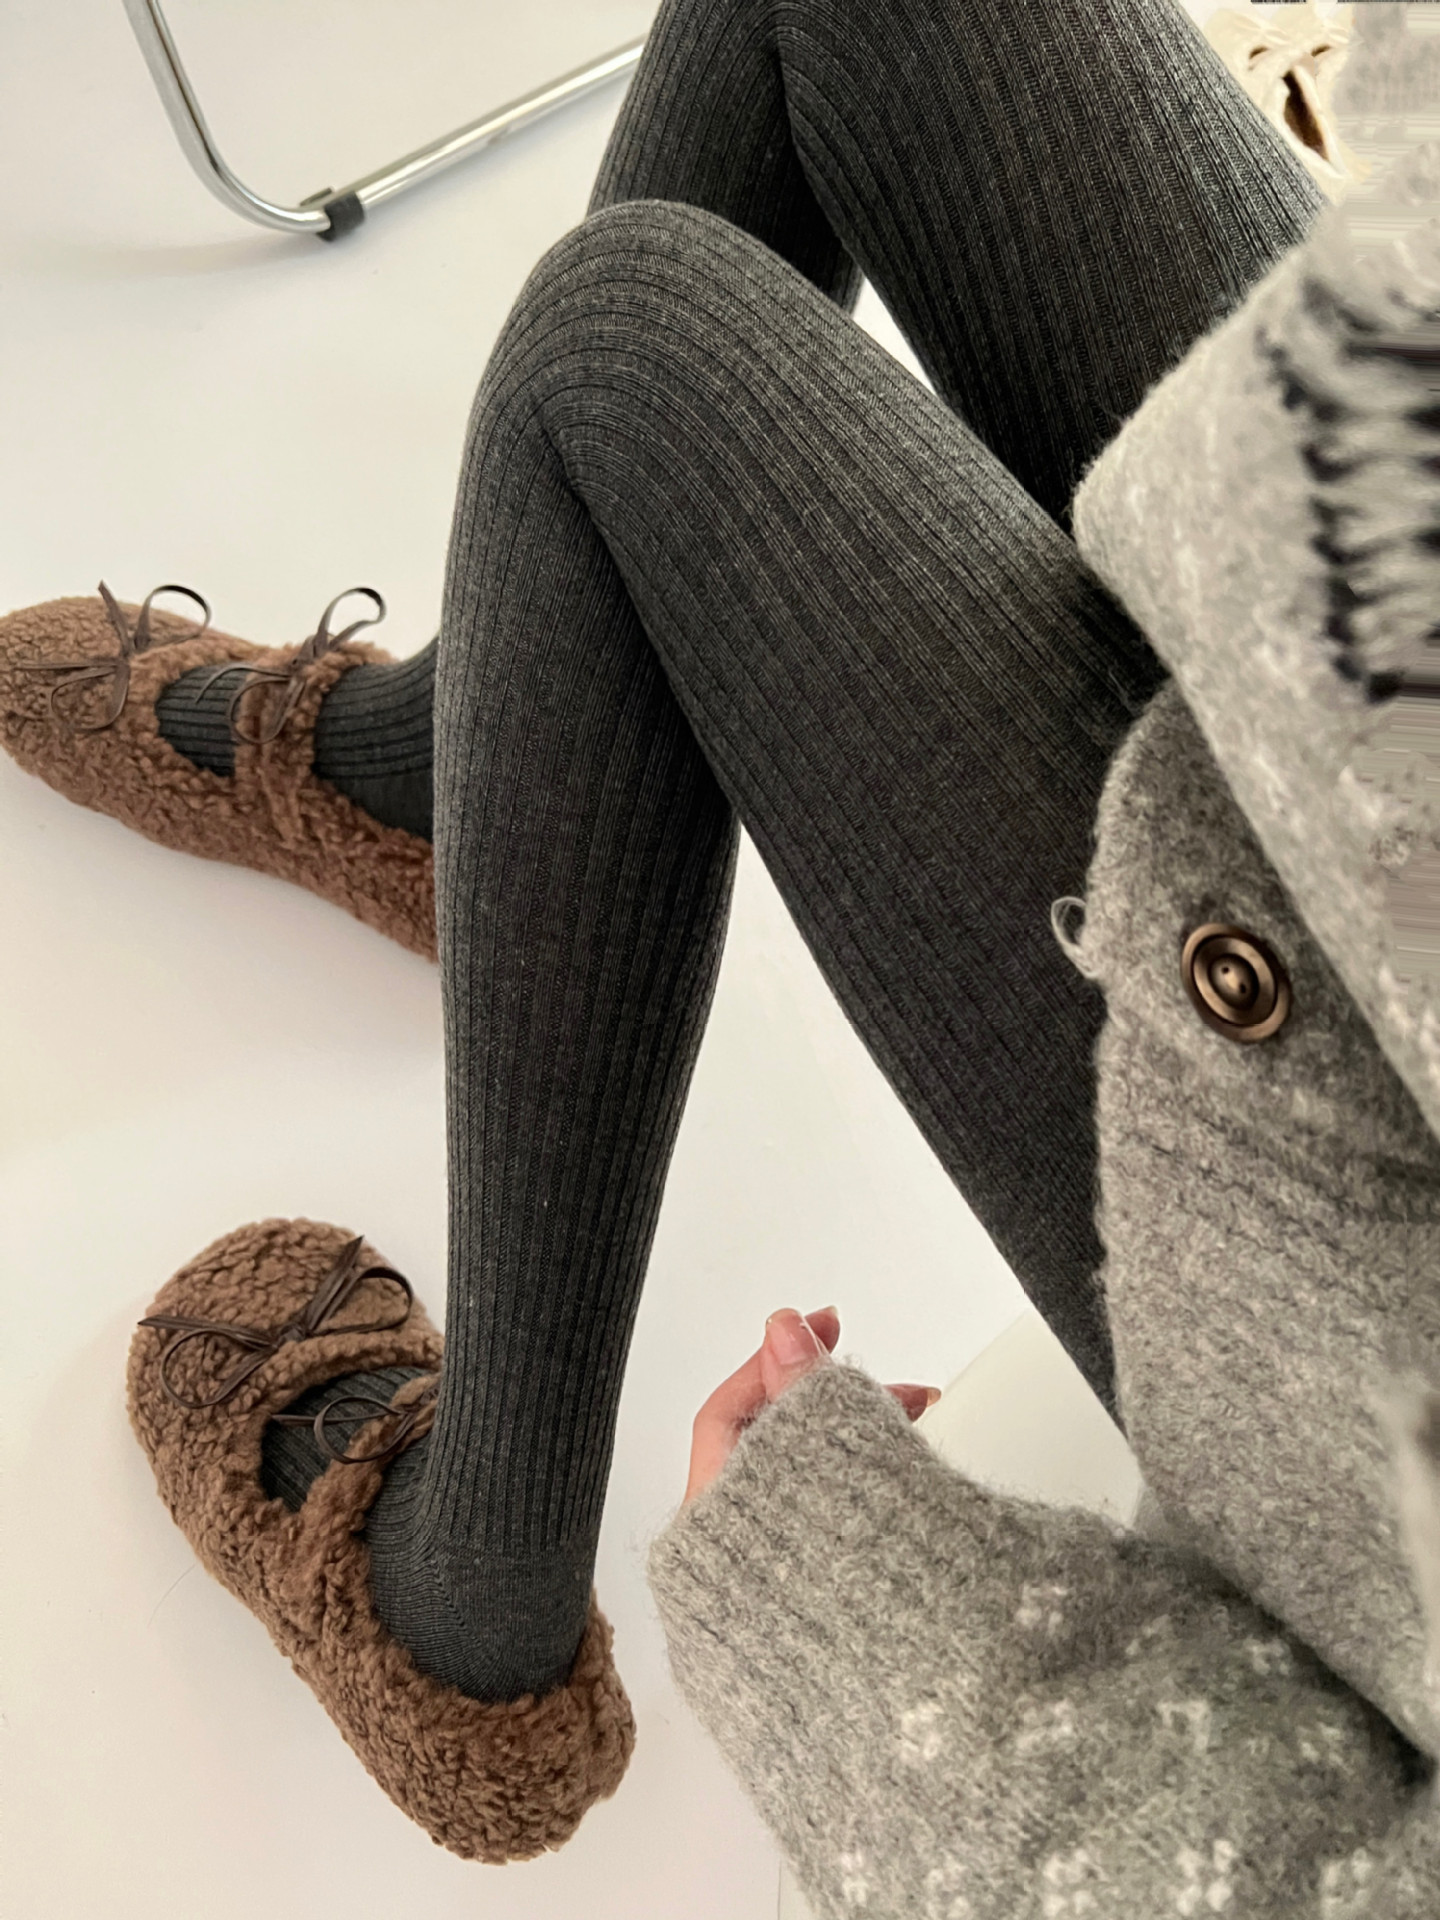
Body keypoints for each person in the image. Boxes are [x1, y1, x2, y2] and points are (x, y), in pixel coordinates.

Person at [4, 0, 1438, 1901]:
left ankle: (472, 1598)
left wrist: (862, 1607)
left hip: (1366, 1290)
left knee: (615, 364)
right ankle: (460, 776)